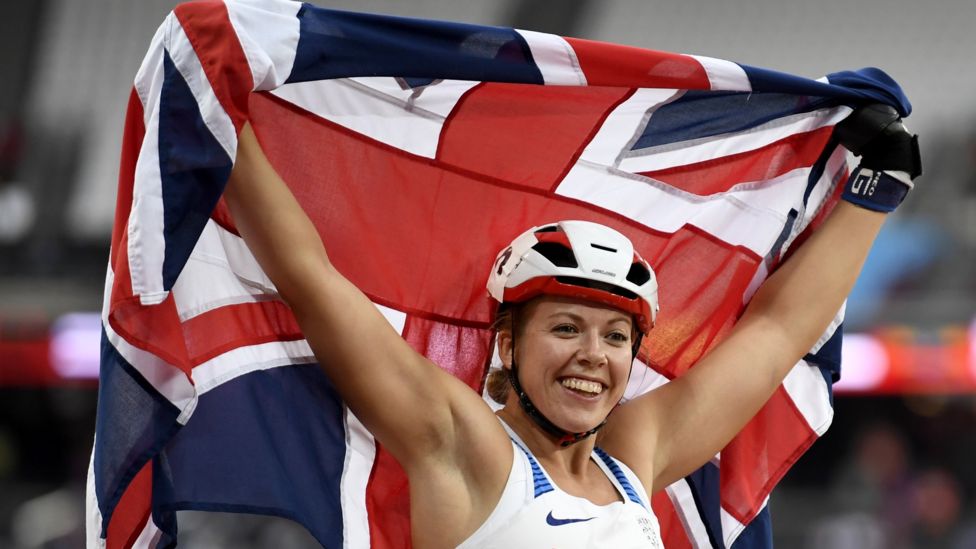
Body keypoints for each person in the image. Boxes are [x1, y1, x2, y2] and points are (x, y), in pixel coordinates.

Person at [223, 104, 921, 548]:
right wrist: (219, 122)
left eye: (616, 336)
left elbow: (774, 334)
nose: (593, 354)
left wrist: (874, 193)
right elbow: (311, 282)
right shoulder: (465, 444)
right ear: (507, 342)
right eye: (565, 327)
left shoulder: (634, 456)